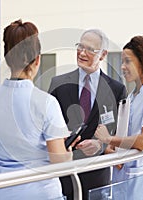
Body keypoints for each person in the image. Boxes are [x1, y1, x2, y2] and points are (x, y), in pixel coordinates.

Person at [0, 19, 73, 200]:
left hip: (3, 194)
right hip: (43, 194)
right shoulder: (47, 103)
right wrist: (68, 154)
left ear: (7, 58)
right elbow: (58, 161)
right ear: (37, 60)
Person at [48, 29, 127, 200]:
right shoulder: (58, 84)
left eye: (90, 49)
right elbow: (48, 129)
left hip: (97, 177)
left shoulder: (117, 90)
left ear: (103, 54)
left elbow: (119, 134)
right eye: (80, 47)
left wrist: (101, 146)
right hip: (65, 174)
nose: (82, 53)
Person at [95, 35, 143, 200]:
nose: (122, 67)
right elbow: (128, 134)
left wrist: (109, 139)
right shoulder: (133, 96)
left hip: (140, 177)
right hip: (124, 175)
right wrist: (112, 151)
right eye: (122, 61)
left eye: (128, 61)